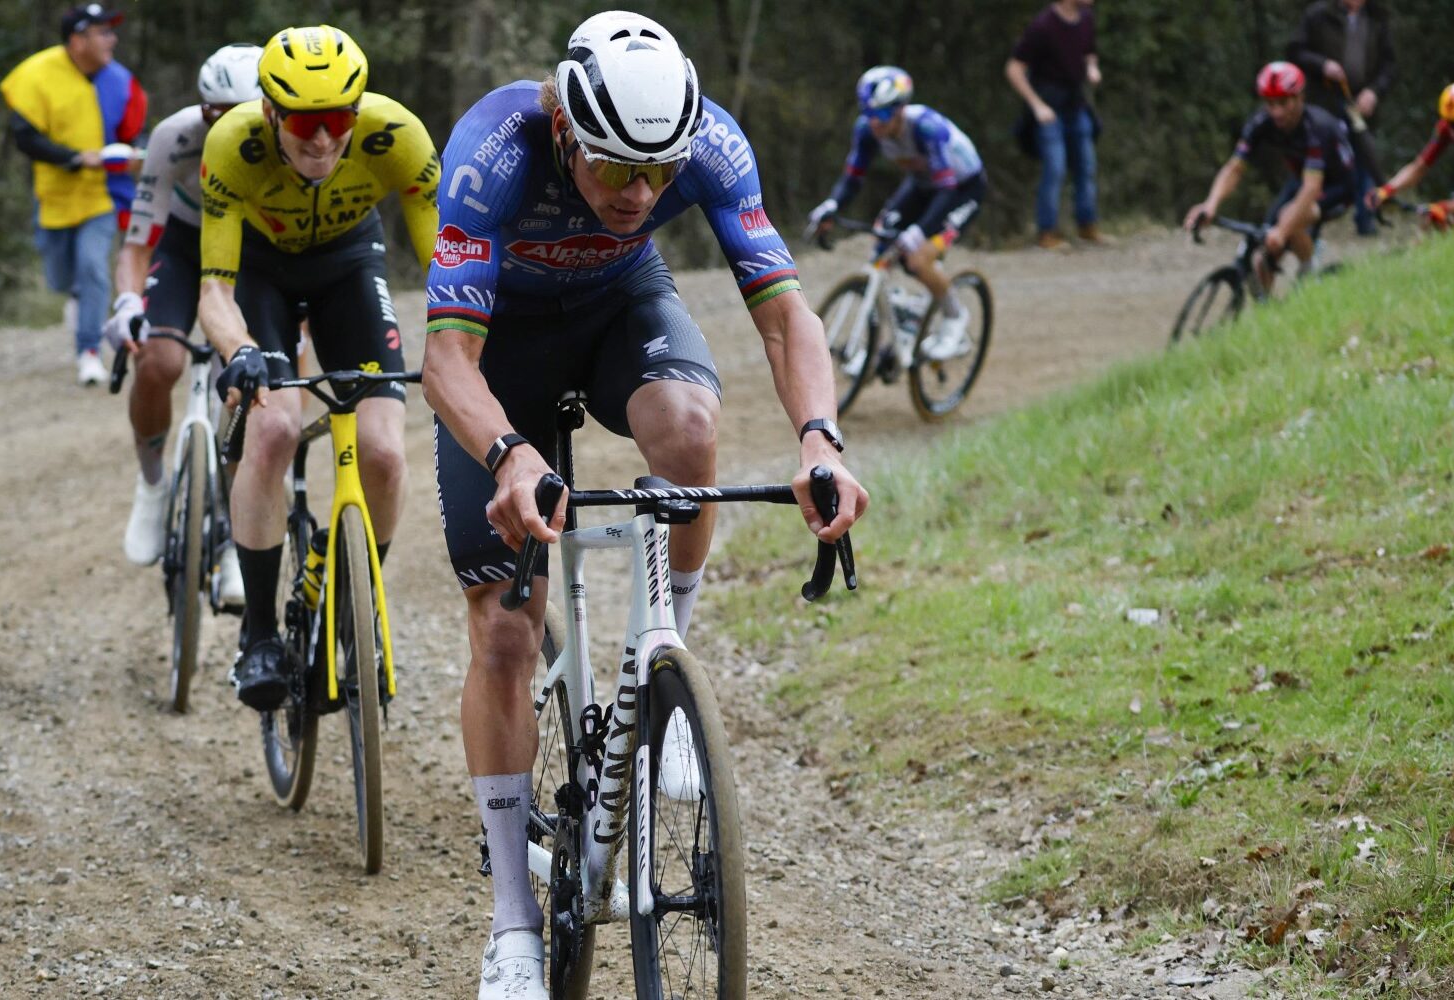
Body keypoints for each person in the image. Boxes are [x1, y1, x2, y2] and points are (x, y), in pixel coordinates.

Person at [423, 13, 865, 997]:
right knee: (502, 630)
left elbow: (785, 313)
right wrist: (506, 455)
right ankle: (512, 926)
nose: (639, 194)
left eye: (659, 176)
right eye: (617, 170)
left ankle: (668, 678)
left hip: (621, 308)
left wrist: (819, 438)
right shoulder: (492, 151)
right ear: (568, 133)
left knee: (690, 430)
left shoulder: (706, 142)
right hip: (501, 350)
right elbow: (445, 357)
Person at [197, 26, 440, 711]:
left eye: (339, 120)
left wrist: (467, 342)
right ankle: (259, 634)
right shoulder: (233, 146)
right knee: (272, 431)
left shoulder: (399, 137)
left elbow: (449, 268)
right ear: (271, 113)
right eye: (306, 122)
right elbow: (215, 290)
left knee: (385, 452)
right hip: (262, 275)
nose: (324, 141)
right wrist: (239, 350)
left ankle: (352, 608)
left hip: (349, 268)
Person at [100, 44, 262, 608]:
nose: (230, 125)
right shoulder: (175, 136)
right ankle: (152, 485)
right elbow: (137, 242)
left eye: (245, 111)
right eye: (218, 113)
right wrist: (126, 301)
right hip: (183, 244)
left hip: (250, 249)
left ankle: (233, 533)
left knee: (247, 390)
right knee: (159, 360)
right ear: (202, 110)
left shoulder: (284, 141)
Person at [0, 3, 148, 386]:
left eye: (111, 32)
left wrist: (135, 157)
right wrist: (74, 158)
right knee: (63, 276)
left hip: (99, 196)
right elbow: (24, 136)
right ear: (77, 40)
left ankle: (89, 350)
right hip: (53, 196)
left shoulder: (121, 82)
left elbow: (133, 135)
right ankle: (80, 301)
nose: (111, 39)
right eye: (102, 32)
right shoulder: (38, 74)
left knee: (94, 267)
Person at [805, 66, 988, 371]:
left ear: (901, 109)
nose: (875, 121)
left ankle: (955, 316)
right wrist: (831, 206)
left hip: (961, 189)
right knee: (881, 244)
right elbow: (852, 179)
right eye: (868, 112)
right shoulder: (866, 129)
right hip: (922, 185)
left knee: (918, 259)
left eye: (883, 114)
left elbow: (946, 190)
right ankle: (897, 326)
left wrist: (919, 232)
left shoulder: (927, 128)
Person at [1182, 62, 1357, 291]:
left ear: (1300, 98)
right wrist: (1211, 204)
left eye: (1283, 103)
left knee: (1288, 222)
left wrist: (1282, 231)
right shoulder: (1262, 122)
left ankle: (1308, 273)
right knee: (1261, 257)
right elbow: (1234, 168)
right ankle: (1267, 311)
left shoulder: (1317, 127)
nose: (1277, 112)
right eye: (1270, 103)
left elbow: (1312, 188)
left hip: (1338, 187)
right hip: (1301, 180)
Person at [1287, 0, 1394, 235]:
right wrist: (1322, 64)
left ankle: (1366, 219)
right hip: (1325, 102)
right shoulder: (1318, 14)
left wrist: (1374, 91)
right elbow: (1295, 51)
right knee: (1322, 162)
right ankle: (1308, 217)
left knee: (1365, 157)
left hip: (1360, 103)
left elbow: (1389, 64)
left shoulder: (1378, 16)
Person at [1005, 0, 1103, 249]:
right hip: (1049, 108)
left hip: (1077, 104)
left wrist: (1091, 67)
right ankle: (1047, 233)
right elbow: (1014, 69)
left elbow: (1089, 51)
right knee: (1055, 169)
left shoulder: (1086, 18)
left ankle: (1087, 227)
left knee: (1086, 166)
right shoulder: (1043, 26)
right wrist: (1037, 105)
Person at [1366, 82, 1454, 231]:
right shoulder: (1445, 129)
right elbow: (1419, 167)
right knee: (1440, 216)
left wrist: (1444, 207)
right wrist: (1387, 190)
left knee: (1450, 210)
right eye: (1450, 124)